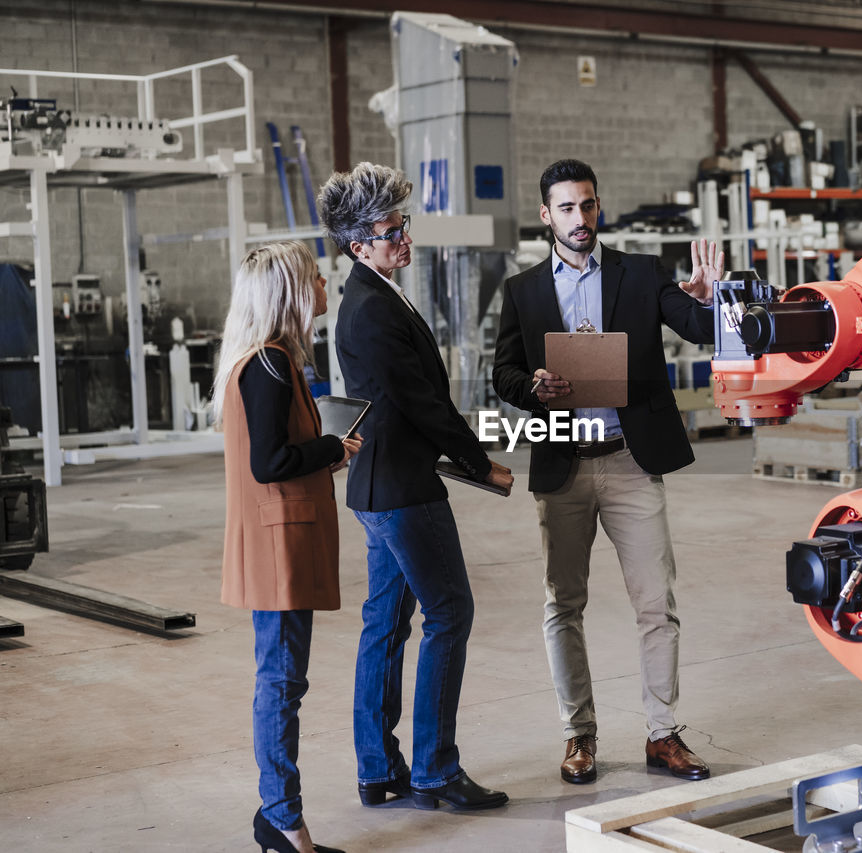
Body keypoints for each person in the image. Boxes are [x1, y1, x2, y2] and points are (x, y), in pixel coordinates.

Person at [492, 159, 723, 785]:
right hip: (564, 460)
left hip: (629, 459)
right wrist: (534, 385)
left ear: (600, 208)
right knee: (563, 604)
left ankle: (662, 734)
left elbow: (699, 328)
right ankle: (579, 736)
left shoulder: (642, 273)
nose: (580, 218)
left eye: (588, 206)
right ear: (547, 216)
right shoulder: (524, 291)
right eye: (566, 208)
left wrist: (712, 295)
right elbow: (504, 374)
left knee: (657, 603)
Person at [317, 162, 514, 812]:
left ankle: (378, 768)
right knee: (450, 613)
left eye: (404, 224)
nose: (403, 237)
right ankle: (434, 769)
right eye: (390, 228)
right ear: (358, 244)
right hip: (403, 490)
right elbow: (423, 404)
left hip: (379, 490)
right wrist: (480, 462)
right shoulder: (370, 310)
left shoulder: (373, 295)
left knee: (385, 624)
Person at [215, 241, 360, 853]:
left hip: (279, 540)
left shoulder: (268, 362)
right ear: (290, 292)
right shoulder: (270, 365)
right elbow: (272, 461)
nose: (325, 284)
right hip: (278, 548)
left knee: (282, 680)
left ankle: (278, 812)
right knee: (280, 683)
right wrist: (332, 448)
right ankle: (281, 818)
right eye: (316, 277)